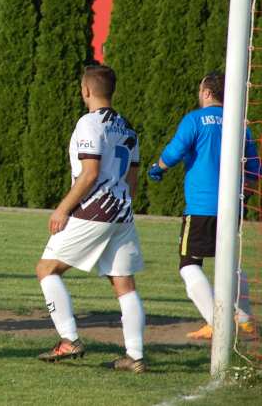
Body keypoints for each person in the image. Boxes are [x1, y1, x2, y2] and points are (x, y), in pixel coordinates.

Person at [36, 65, 146, 373]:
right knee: (124, 283)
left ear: (86, 90)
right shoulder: (127, 127)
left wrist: (62, 209)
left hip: (94, 210)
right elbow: (132, 179)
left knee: (47, 269)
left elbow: (90, 173)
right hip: (122, 212)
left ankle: (69, 340)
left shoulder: (89, 123)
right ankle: (135, 356)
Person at [148, 71, 258, 339]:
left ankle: (217, 323)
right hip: (233, 208)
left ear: (207, 93)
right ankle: (244, 318)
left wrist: (157, 168)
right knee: (230, 261)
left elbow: (174, 151)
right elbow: (254, 168)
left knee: (189, 264)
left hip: (201, 208)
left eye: (200, 90)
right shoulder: (241, 124)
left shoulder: (195, 119)